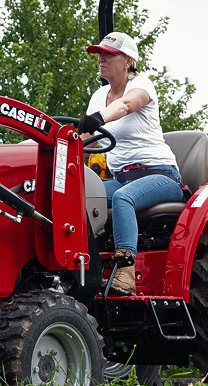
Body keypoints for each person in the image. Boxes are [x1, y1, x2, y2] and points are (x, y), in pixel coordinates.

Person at [75, 31, 183, 293]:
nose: (101, 58)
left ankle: (125, 273)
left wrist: (99, 118)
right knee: (79, 197)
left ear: (128, 61)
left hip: (161, 176)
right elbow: (84, 137)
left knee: (124, 198)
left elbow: (125, 105)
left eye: (109, 54)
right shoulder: (99, 96)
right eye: (99, 54)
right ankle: (85, 270)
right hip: (122, 176)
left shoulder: (142, 85)